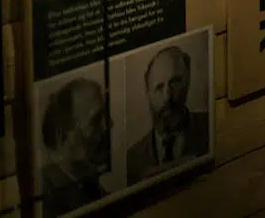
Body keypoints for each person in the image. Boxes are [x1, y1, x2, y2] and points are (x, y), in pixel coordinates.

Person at [125, 45, 209, 183]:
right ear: (148, 95)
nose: (167, 96)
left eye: (175, 82)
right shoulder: (132, 158)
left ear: (188, 81)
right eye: (159, 87)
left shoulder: (208, 128)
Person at [39, 77, 110, 218]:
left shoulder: (88, 184)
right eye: (96, 120)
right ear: (64, 134)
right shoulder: (47, 198)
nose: (109, 125)